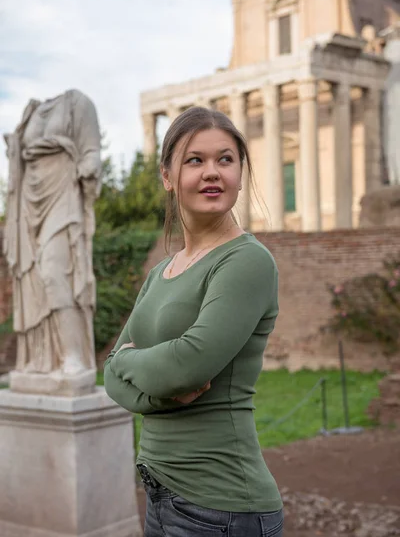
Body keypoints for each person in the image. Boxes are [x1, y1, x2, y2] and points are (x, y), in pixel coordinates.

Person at [104, 106, 284, 536]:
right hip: (161, 497)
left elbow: (188, 364)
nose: (212, 173)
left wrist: (129, 361)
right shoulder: (160, 273)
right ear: (167, 177)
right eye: (195, 160)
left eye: (226, 159)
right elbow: (109, 376)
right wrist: (155, 389)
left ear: (241, 172)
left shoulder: (246, 261)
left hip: (222, 508)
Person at [4, 89, 102, 376]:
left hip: (63, 191)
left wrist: (91, 165)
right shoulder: (29, 112)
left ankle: (74, 356)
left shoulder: (78, 102)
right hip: (29, 200)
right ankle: (42, 359)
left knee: (54, 270)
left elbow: (91, 148)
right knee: (32, 280)